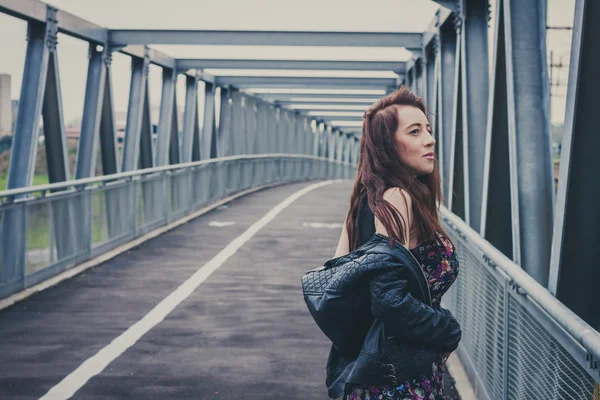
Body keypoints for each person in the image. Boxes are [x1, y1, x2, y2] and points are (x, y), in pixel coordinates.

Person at [330, 87, 461, 400]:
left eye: (428, 130)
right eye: (414, 132)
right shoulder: (397, 199)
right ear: (387, 146)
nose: (429, 139)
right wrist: (448, 328)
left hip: (371, 375)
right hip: (399, 382)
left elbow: (337, 280)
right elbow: (389, 302)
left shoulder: (365, 200)